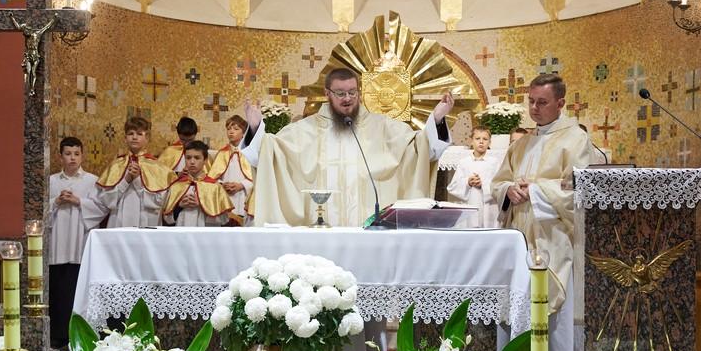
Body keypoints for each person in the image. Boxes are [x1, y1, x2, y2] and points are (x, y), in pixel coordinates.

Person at [239, 67, 454, 227]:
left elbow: (421, 149)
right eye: (340, 93)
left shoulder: (383, 127)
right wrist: (256, 127)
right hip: (320, 233)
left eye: (352, 92)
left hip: (370, 230)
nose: (348, 99)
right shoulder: (303, 131)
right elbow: (267, 155)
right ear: (327, 94)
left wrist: (436, 119)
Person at [491, 73, 593, 351]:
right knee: (519, 304)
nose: (534, 108)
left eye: (542, 102)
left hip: (553, 238)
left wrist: (534, 191)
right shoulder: (520, 144)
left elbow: (579, 190)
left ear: (560, 103)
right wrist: (509, 190)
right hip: (519, 236)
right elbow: (499, 182)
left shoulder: (575, 140)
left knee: (553, 310)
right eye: (531, 101)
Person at [48, 137, 107, 347]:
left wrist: (78, 201)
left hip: (80, 244)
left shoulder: (92, 181)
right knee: (58, 291)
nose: (72, 158)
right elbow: (39, 210)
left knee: (77, 290)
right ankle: (58, 335)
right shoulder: (51, 181)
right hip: (57, 244)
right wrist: (56, 201)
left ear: (82, 156)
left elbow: (101, 208)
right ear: (60, 157)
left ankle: (80, 335)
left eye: (76, 154)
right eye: (67, 154)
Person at [97, 116, 174, 227]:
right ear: (125, 138)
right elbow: (107, 201)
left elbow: (159, 202)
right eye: (130, 133)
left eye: (139, 134)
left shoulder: (158, 167)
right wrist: (126, 180)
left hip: (147, 219)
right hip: (119, 221)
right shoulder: (116, 165)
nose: (134, 137)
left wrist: (138, 180)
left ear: (147, 137)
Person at [163, 140, 233, 227]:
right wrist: (179, 206)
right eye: (188, 158)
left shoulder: (215, 187)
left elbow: (224, 220)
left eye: (197, 158)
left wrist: (202, 205)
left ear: (205, 160)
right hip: (182, 232)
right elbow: (167, 220)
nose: (192, 162)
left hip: (205, 233)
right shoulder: (176, 186)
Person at [446, 128, 500, 228]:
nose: (481, 142)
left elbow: (499, 185)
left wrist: (483, 184)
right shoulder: (464, 162)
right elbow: (453, 186)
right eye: (477, 138)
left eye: (485, 139)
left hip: (488, 208)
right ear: (471, 141)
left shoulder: (494, 162)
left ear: (489, 142)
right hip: (469, 204)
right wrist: (468, 182)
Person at [211, 115, 254, 226]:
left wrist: (242, 185)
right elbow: (212, 178)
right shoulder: (222, 153)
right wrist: (222, 184)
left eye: (236, 129)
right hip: (225, 199)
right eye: (229, 129)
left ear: (244, 133)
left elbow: (256, 178)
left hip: (243, 198)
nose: (231, 132)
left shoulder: (250, 153)